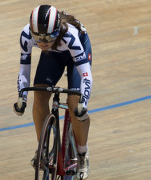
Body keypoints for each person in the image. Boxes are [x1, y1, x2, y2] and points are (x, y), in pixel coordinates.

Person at [13, 4, 92, 179]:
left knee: (74, 104)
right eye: (38, 39)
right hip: (52, 55)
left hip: (75, 56)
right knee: (39, 96)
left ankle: (82, 154)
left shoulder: (70, 36)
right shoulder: (27, 35)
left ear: (57, 31)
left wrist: (83, 103)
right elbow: (24, 70)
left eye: (48, 38)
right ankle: (42, 148)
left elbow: (86, 75)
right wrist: (22, 97)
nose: (42, 43)